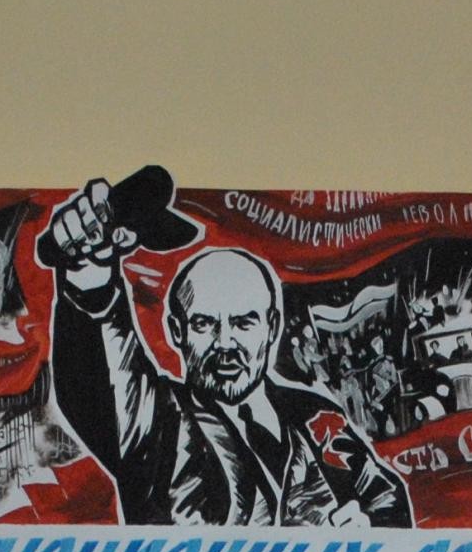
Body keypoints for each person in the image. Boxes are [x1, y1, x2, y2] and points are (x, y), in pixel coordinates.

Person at [41, 177, 415, 531]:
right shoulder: (157, 421)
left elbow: (386, 501)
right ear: (177, 332)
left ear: (272, 327)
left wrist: (369, 528)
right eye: (204, 323)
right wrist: (89, 278)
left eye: (243, 322)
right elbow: (102, 382)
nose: (225, 343)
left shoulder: (315, 416)